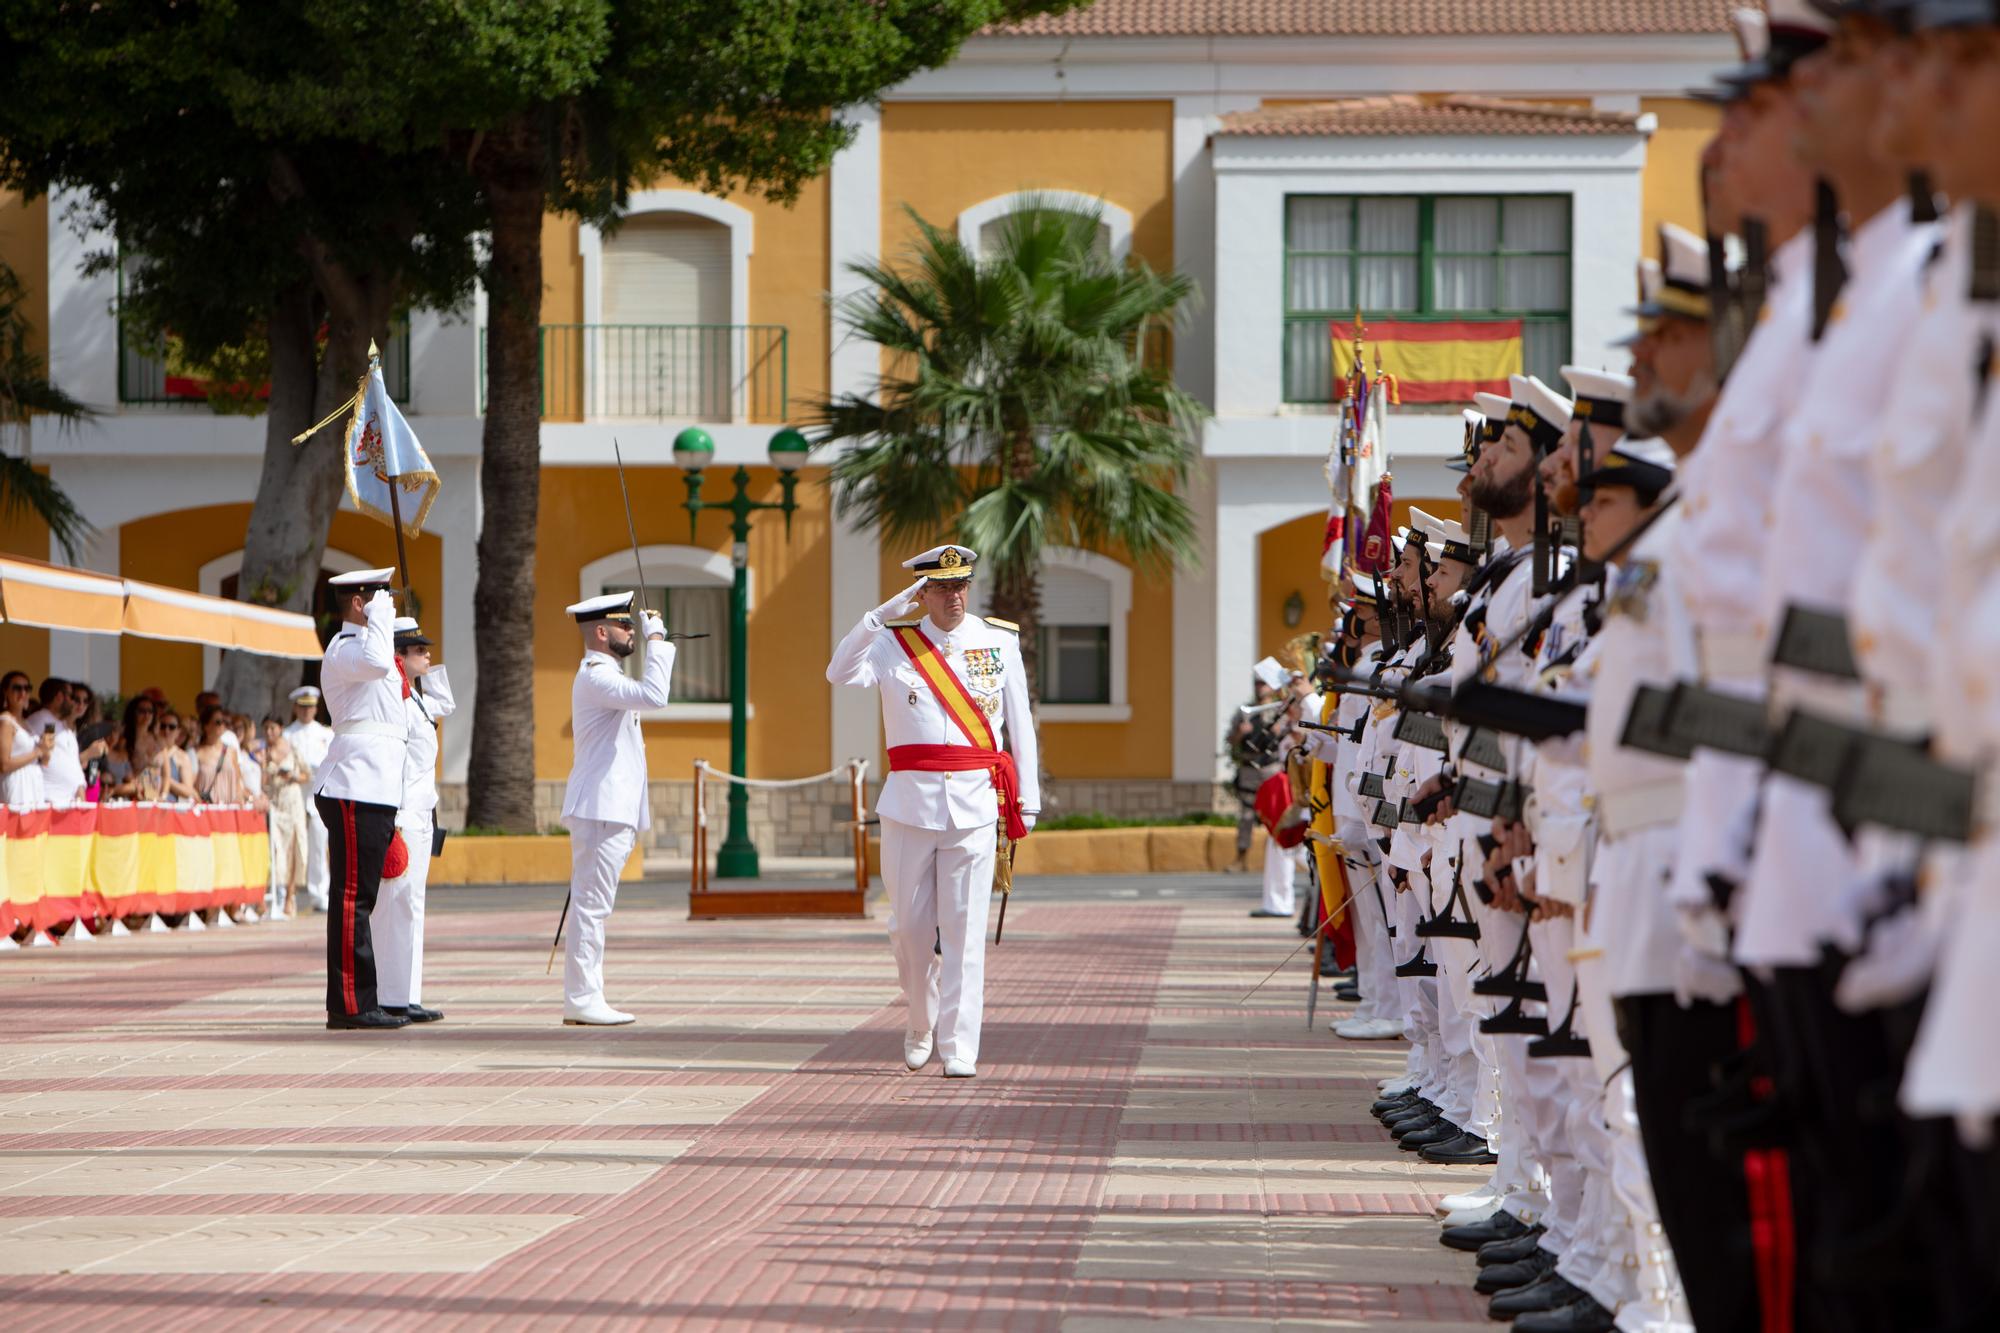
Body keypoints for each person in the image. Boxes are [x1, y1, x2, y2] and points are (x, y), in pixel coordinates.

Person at [827, 543, 1040, 1080]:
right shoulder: (893, 644)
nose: (956, 596)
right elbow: (837, 673)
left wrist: (1027, 799)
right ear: (922, 593)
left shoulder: (997, 641)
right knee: (909, 930)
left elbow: (1020, 722)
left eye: (962, 584)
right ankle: (920, 1022)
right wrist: (879, 617)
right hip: (910, 805)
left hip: (975, 800)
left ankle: (959, 1044)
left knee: (966, 930)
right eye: (943, 588)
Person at [559, 591, 673, 1026]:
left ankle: (586, 996)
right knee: (591, 906)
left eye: (633, 626)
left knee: (594, 905)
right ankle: (583, 998)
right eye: (625, 627)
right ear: (601, 633)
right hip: (601, 807)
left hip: (610, 807)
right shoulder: (596, 675)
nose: (633, 632)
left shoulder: (604, 674)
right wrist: (658, 639)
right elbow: (654, 694)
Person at [313, 567, 410, 1031]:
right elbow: (374, 663)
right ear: (360, 603)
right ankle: (350, 1005)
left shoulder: (373, 647)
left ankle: (363, 999)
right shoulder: (347, 648)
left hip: (377, 786)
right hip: (353, 785)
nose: (387, 603)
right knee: (352, 899)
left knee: (362, 898)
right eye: (379, 596)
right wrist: (383, 614)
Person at [374, 616, 456, 1024]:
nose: (427, 653)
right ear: (398, 656)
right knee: (396, 906)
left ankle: (407, 993)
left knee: (414, 906)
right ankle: (389, 995)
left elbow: (446, 705)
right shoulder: (394, 702)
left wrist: (427, 670)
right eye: (418, 649)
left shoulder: (416, 700)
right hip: (404, 812)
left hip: (423, 812)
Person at [284, 685, 334, 913]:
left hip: (317, 796)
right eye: (302, 707)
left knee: (318, 845)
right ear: (295, 708)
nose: (306, 711)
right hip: (294, 795)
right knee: (289, 845)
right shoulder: (287, 734)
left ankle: (319, 893)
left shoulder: (325, 734)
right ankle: (286, 893)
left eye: (310, 707)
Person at [261, 716, 309, 919]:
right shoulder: (262, 751)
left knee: (295, 847)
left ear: (280, 728)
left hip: (293, 801)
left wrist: (292, 777)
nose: (270, 732)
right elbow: (261, 779)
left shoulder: (292, 748)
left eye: (273, 728)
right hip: (275, 802)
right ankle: (275, 895)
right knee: (276, 848)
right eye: (266, 729)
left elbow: (306, 774)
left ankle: (290, 895)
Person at [26, 678, 100, 804]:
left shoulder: (62, 726)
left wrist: (81, 796)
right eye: (72, 697)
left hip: (70, 803)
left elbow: (73, 767)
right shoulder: (40, 720)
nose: (74, 703)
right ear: (60, 697)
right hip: (50, 801)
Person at [0, 670, 51, 807]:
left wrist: (46, 750)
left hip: (34, 785)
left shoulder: (27, 723)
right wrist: (37, 752)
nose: (23, 693)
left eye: (27, 688)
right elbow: (4, 765)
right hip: (17, 786)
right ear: (6, 692)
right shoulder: (6, 722)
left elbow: (44, 762)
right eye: (17, 688)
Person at [192, 705, 247, 805]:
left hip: (228, 810)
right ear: (206, 726)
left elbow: (238, 781)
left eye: (224, 722)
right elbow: (191, 786)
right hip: (206, 811)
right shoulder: (196, 753)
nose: (222, 725)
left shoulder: (231, 751)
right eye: (218, 722)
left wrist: (240, 798)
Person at [142, 711, 199, 803]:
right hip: (146, 803)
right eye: (163, 726)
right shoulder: (149, 750)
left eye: (171, 727)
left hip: (168, 807)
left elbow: (188, 791)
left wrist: (165, 779)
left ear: (178, 731)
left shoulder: (182, 756)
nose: (166, 731)